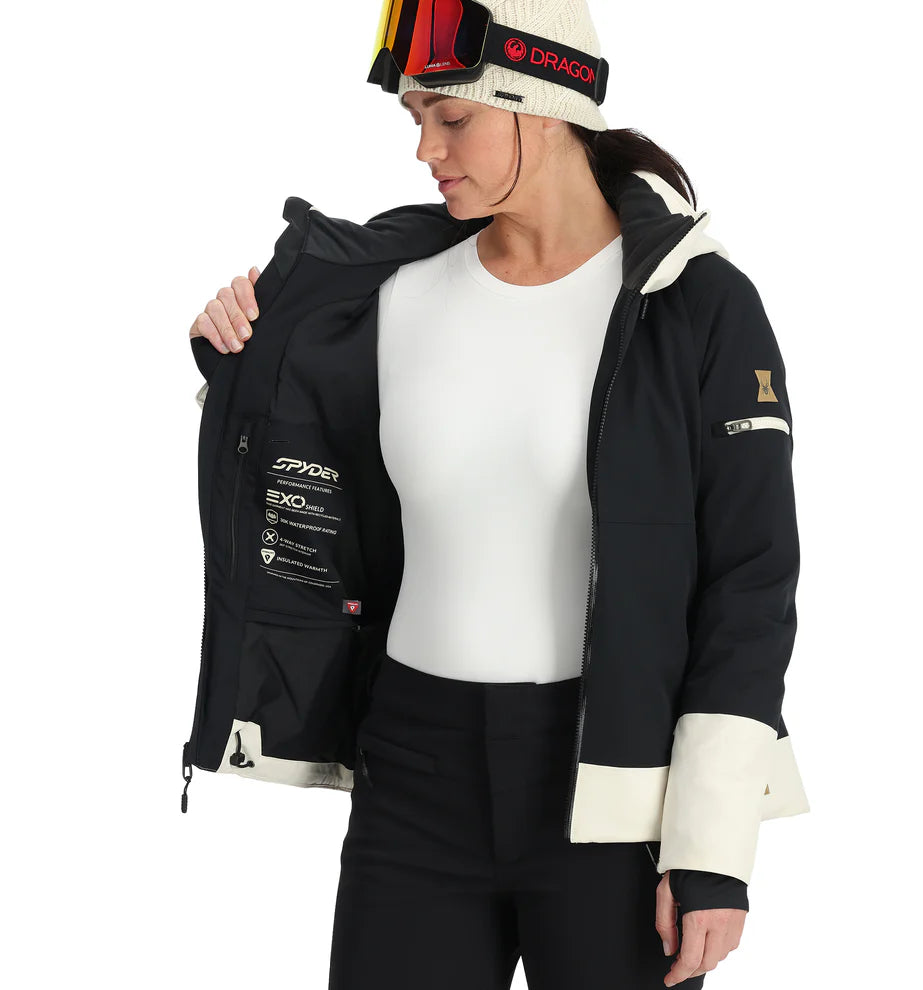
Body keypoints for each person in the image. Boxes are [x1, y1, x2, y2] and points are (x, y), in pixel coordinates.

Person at [185, 2, 809, 987]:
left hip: (616, 789)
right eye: (415, 121)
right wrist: (234, 355)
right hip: (411, 773)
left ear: (547, 103)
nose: (425, 151)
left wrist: (713, 845)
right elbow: (294, 452)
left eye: (453, 118)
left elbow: (750, 580)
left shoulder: (694, 304)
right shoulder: (388, 289)